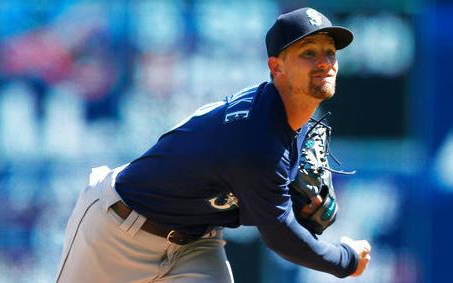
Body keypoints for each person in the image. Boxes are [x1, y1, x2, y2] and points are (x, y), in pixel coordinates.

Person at [55, 7, 371, 283]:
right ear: (276, 67)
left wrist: (291, 203)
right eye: (309, 53)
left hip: (195, 243)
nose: (324, 62)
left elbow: (241, 196)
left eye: (330, 52)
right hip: (119, 232)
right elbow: (280, 236)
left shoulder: (290, 119)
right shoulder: (256, 138)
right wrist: (347, 259)